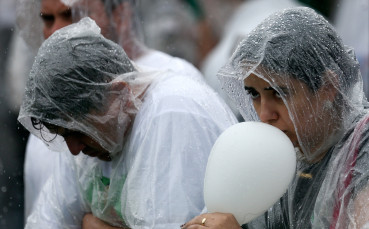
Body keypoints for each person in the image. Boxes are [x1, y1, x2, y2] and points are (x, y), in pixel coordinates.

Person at [18, 18, 237, 228]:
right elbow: (48, 219)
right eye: (63, 136)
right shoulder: (92, 139)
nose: (74, 150)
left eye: (78, 132)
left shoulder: (172, 113)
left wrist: (92, 224)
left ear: (119, 93)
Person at [182, 7, 369, 228]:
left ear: (328, 87)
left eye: (280, 94)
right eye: (254, 94)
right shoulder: (265, 157)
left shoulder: (363, 152)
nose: (264, 115)